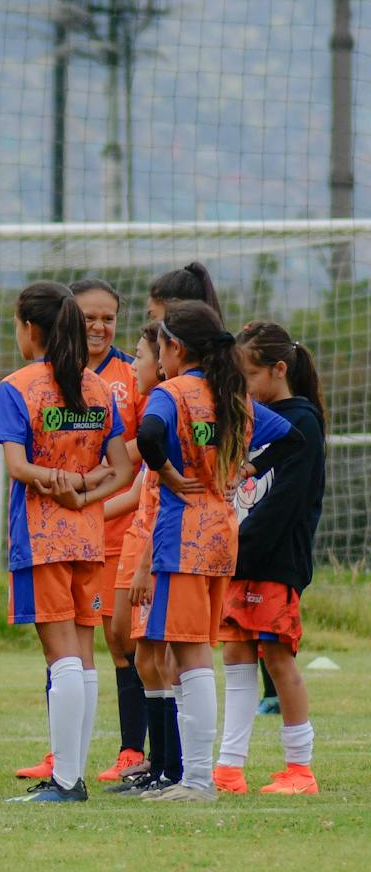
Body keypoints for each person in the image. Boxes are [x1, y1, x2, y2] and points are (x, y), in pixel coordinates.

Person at [135, 300, 304, 802]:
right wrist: (242, 469)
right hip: (222, 537)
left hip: (181, 536)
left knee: (189, 660)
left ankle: (198, 780)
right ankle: (195, 777)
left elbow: (148, 435)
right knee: (194, 654)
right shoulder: (231, 396)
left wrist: (167, 472)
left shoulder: (173, 392)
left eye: (161, 345)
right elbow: (294, 440)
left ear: (175, 347)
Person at [0, 281, 133, 804]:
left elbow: (18, 466)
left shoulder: (18, 386)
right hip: (91, 537)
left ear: (30, 329)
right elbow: (120, 470)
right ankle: (71, 773)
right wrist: (85, 492)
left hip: (42, 536)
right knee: (84, 653)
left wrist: (57, 485)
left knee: (61, 657)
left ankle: (68, 781)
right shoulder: (97, 387)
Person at [214, 322, 326, 795]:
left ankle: (300, 770)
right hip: (240, 560)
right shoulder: (254, 419)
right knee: (236, 656)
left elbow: (286, 503)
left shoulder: (301, 420)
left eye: (249, 376)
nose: (244, 388)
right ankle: (229, 767)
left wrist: (237, 548)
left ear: (279, 370)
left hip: (275, 561)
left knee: (277, 659)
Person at [107, 321, 180, 797]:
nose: (132, 364)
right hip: (139, 541)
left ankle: (174, 766)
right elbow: (138, 488)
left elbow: (165, 498)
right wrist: (82, 514)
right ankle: (160, 764)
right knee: (141, 652)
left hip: (155, 547)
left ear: (164, 359)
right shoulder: (158, 407)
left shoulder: (169, 409)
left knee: (163, 656)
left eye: (138, 355)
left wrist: (144, 562)